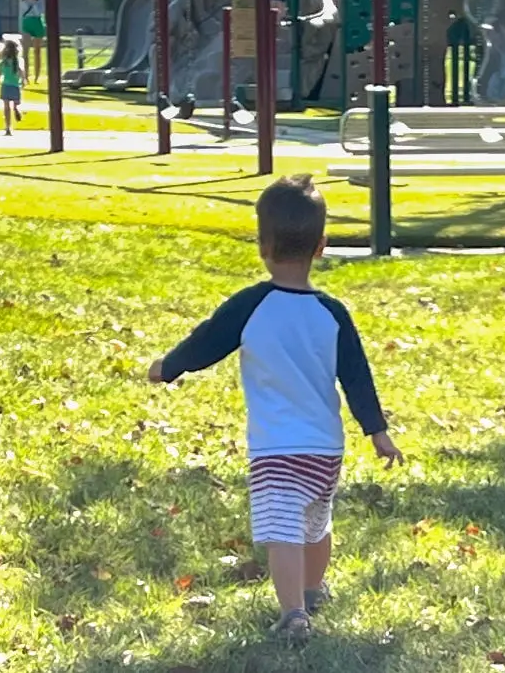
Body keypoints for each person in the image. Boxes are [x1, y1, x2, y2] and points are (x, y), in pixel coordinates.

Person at [147, 175, 404, 641]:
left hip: (276, 446)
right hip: (326, 446)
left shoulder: (252, 305)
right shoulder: (332, 312)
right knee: (314, 522)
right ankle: (312, 587)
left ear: (262, 245)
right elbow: (357, 375)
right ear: (321, 246)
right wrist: (377, 430)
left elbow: (207, 342)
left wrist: (168, 367)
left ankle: (294, 613)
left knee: (282, 531)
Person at [0, 38, 24, 136]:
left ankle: (8, 127)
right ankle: (16, 109)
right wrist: (23, 80)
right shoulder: (17, 61)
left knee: (6, 107)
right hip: (15, 85)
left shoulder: (5, 61)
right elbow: (21, 72)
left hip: (6, 85)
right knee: (16, 103)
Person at [19, 0, 45, 85]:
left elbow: (42, 11)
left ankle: (37, 76)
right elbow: (21, 14)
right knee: (25, 51)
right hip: (27, 22)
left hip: (37, 22)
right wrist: (20, 28)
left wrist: (35, 4)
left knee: (37, 51)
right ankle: (26, 75)